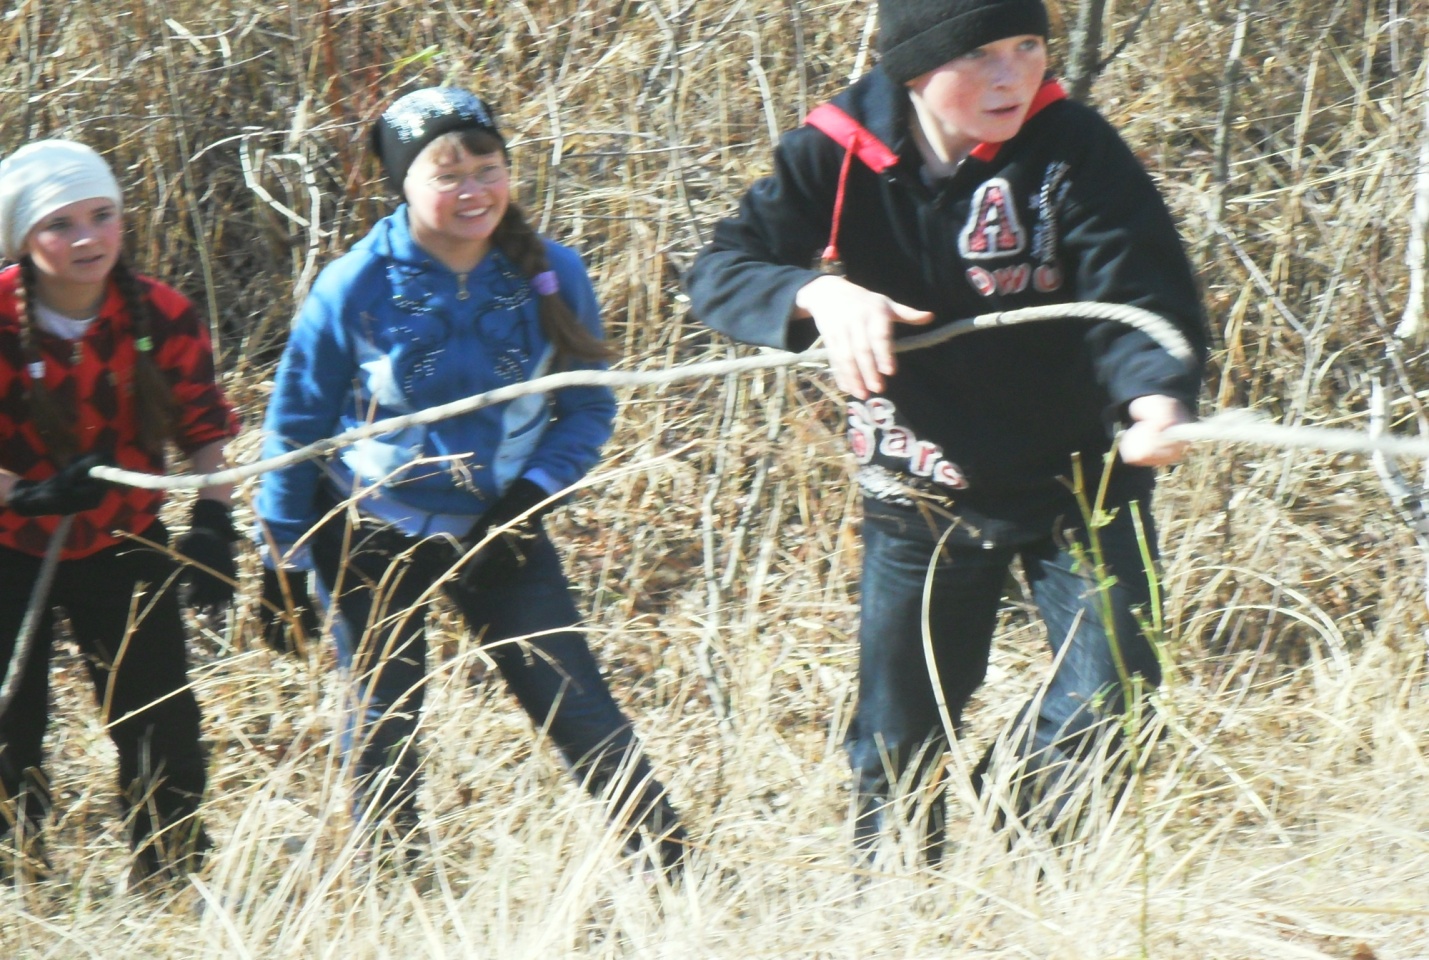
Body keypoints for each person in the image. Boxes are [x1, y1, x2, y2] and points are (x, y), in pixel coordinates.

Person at [686, 0, 1208, 861]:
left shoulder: (1072, 147)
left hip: (1082, 475)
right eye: (983, 54)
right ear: (915, 66)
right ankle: (897, 913)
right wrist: (816, 294)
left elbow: (1138, 293)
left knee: (1120, 686)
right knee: (898, 734)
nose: (1013, 75)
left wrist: (1152, 396)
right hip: (919, 480)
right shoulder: (837, 149)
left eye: (1027, 46)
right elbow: (724, 267)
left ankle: (1032, 825)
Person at [253, 87, 687, 874]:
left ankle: (669, 861)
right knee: (384, 719)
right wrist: (282, 555)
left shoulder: (551, 272)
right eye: (445, 174)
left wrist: (526, 501)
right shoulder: (355, 284)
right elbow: (295, 425)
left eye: (487, 168)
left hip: (501, 528)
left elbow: (586, 409)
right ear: (401, 183)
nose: (473, 191)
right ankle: (389, 884)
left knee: (574, 700)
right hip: (369, 532)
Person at [0, 140, 240, 885]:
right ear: (22, 239)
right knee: (9, 720)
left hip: (126, 536)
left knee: (159, 714)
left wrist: (212, 524)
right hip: (10, 543)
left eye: (101, 217)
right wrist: (31, 496)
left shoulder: (163, 313)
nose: (86, 239)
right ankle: (15, 879)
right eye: (60, 225)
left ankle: (170, 874)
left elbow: (206, 432)